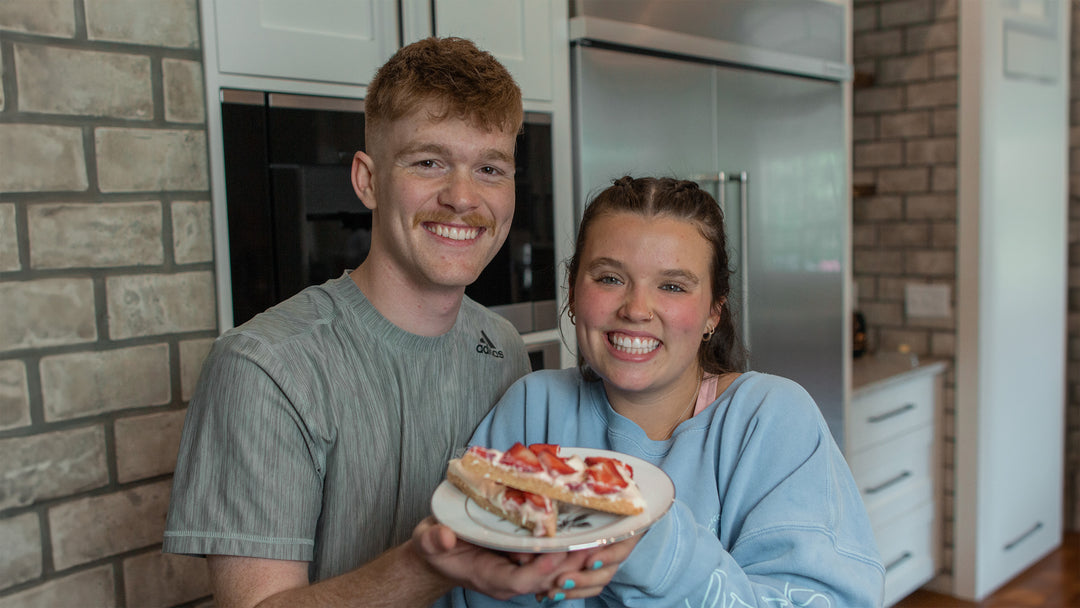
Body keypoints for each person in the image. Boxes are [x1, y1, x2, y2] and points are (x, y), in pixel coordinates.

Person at [163, 37, 631, 607]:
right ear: (366, 180)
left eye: (489, 167)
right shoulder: (265, 367)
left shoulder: (501, 347)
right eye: (429, 162)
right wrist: (425, 567)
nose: (462, 197)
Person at [451, 176, 886, 606]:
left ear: (714, 311)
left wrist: (656, 549)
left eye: (673, 286)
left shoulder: (769, 421)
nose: (636, 310)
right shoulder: (532, 409)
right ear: (572, 290)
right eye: (609, 278)